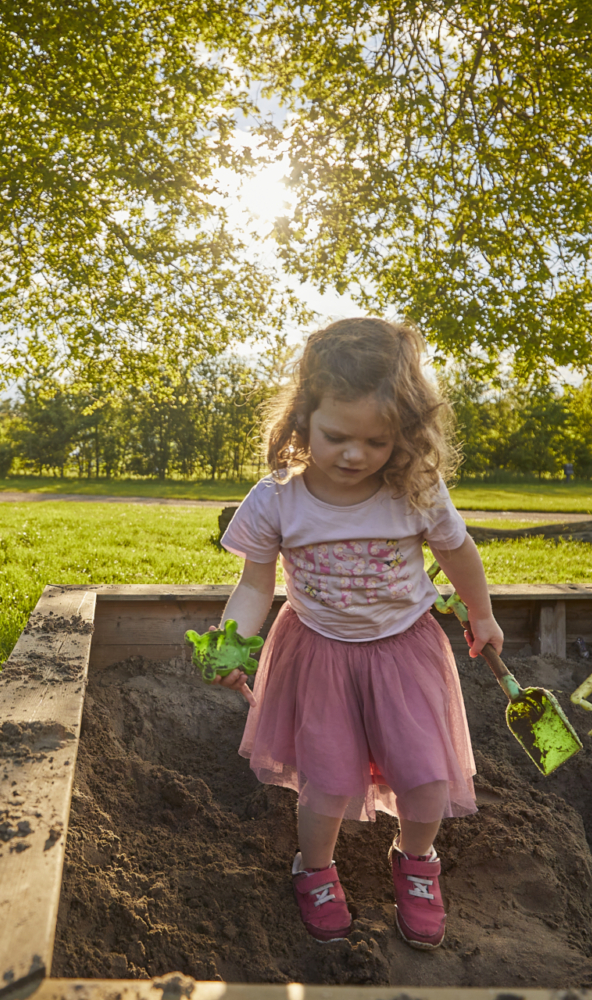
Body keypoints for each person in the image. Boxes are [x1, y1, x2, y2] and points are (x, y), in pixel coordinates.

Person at [203, 317, 503, 950]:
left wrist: (481, 615)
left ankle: (416, 864)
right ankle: (314, 870)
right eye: (337, 436)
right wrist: (234, 641)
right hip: (317, 655)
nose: (355, 455)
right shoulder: (278, 499)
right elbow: (258, 584)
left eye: (377, 442)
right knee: (328, 780)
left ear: (406, 437)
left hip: (404, 652)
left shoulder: (414, 489)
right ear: (302, 419)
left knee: (425, 776)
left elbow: (457, 551)